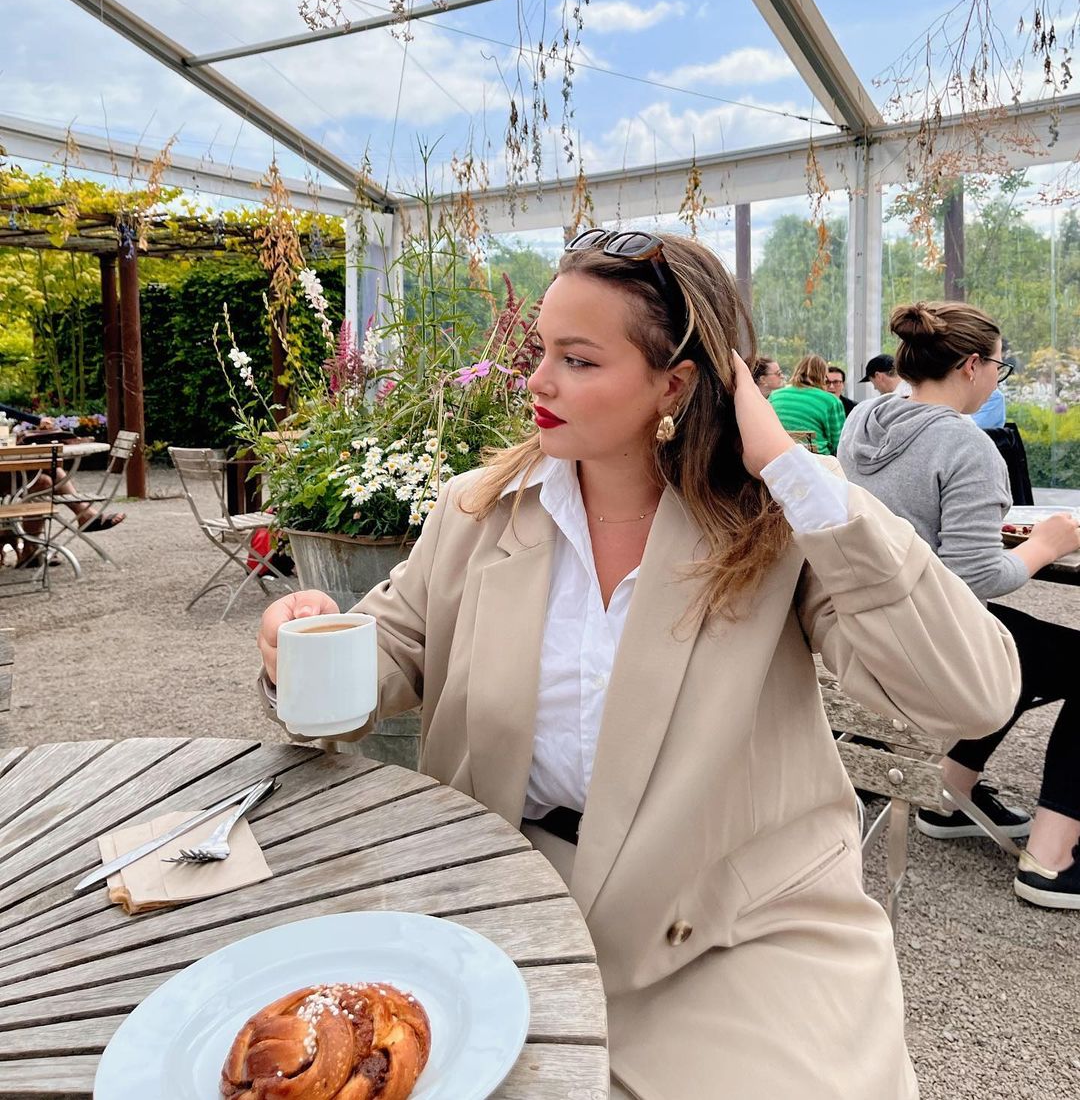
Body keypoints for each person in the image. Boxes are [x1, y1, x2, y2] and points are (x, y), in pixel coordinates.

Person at [258, 232, 1019, 1098]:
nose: (538, 382)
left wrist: (792, 472)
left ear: (677, 384)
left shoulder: (775, 527)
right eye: (541, 351)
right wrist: (303, 644)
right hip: (506, 890)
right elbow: (396, 646)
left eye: (578, 360)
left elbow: (970, 696)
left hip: (734, 924)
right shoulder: (479, 510)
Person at [839, 300, 1080, 911]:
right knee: (1039, 649)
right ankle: (1051, 858)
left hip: (861, 634)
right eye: (1001, 366)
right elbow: (974, 578)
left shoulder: (864, 420)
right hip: (930, 649)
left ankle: (951, 792)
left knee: (1021, 644)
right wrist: (1048, 545)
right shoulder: (967, 446)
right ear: (972, 365)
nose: (1000, 378)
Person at [766, 353, 846, 455]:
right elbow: (839, 443)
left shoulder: (775, 396)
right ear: (823, 375)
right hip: (816, 459)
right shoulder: (831, 401)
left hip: (779, 456)